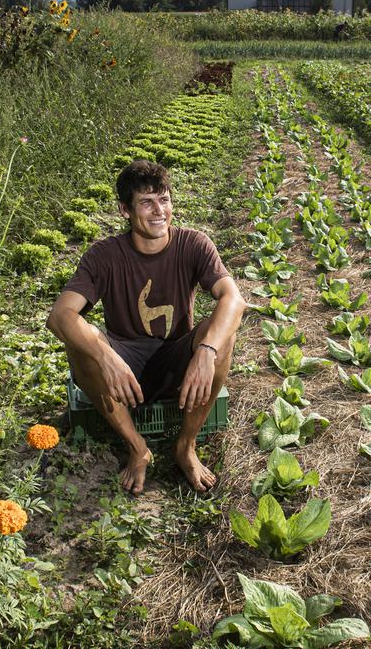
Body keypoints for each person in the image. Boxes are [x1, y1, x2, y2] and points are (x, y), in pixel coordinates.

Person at [47, 160, 244, 493]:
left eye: (164, 200)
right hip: (125, 366)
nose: (159, 211)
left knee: (222, 334)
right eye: (146, 202)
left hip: (176, 358)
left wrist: (207, 351)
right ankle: (138, 448)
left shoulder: (193, 244)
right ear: (125, 210)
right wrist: (106, 357)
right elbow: (60, 316)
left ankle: (185, 446)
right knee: (80, 342)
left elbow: (233, 299)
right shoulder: (104, 256)